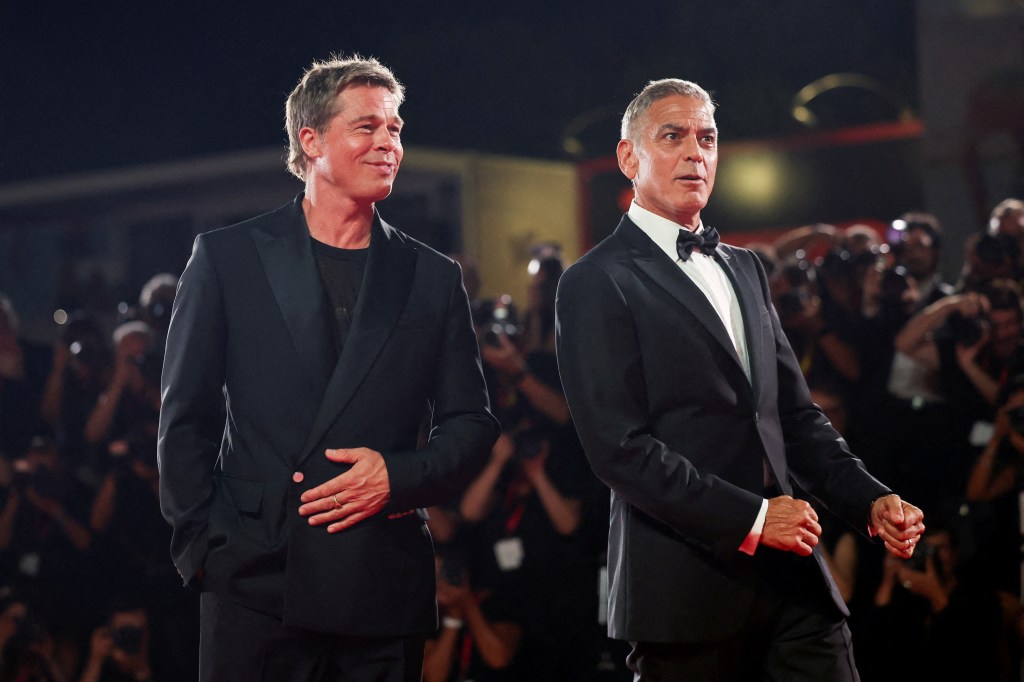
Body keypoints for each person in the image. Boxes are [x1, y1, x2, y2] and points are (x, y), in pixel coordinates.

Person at [554, 77, 925, 681]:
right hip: (683, 590)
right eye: (671, 136)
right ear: (629, 157)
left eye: (707, 138)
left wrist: (869, 499)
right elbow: (618, 449)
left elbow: (795, 417)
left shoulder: (746, 266)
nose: (695, 152)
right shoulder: (596, 281)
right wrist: (753, 519)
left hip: (797, 584)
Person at [157, 55, 499, 682]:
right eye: (366, 127)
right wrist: (202, 548)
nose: (388, 144)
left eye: (395, 129)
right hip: (256, 581)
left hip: (380, 580)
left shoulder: (432, 276)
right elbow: (186, 418)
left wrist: (397, 477)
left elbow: (471, 425)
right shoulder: (227, 258)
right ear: (310, 140)